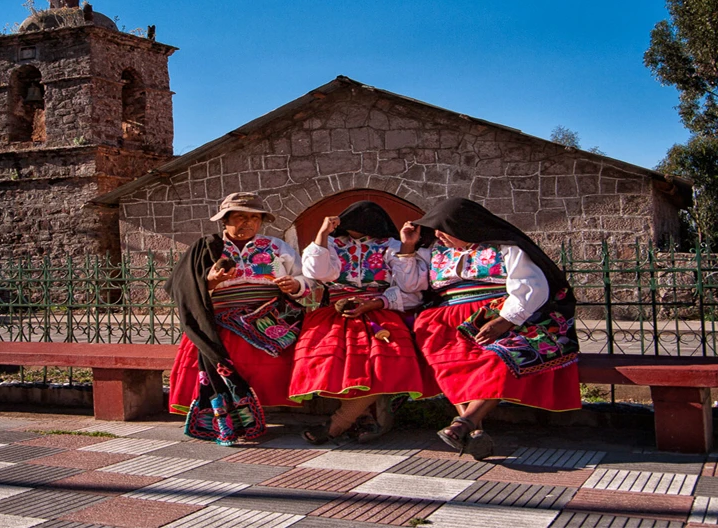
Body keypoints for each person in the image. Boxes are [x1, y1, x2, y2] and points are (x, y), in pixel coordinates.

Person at [409, 198, 580, 460]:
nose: (438, 235)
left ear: (463, 227)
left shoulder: (505, 248)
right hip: (446, 320)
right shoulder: (434, 252)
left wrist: (505, 320)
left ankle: (463, 423)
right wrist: (408, 247)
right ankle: (471, 427)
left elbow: (531, 286)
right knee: (447, 361)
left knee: (497, 359)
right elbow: (412, 286)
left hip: (499, 315)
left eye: (443, 229)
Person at [165, 192, 312, 445]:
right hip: (219, 321)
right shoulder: (207, 249)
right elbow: (183, 288)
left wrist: (295, 285)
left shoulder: (278, 248)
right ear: (224, 220)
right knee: (228, 351)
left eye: (255, 219)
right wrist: (211, 281)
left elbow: (306, 281)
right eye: (241, 217)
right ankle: (232, 416)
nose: (249, 224)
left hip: (270, 320)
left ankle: (256, 409)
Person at [290, 201, 437, 444]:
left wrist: (407, 248)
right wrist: (322, 235)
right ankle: (364, 417)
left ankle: (338, 422)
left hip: (381, 311)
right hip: (338, 312)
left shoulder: (392, 246)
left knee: (383, 363)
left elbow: (411, 288)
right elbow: (316, 272)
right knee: (336, 363)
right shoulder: (333, 245)